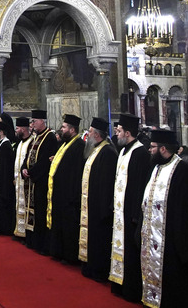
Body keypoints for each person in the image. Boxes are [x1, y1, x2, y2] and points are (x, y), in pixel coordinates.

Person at [139, 129, 188, 308]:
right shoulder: (155, 167)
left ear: (163, 149)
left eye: (153, 147)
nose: (149, 150)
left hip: (171, 240)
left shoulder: (183, 171)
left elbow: (184, 210)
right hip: (151, 237)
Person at [109, 114, 151, 303]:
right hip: (120, 210)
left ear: (128, 132)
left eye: (118, 131)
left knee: (131, 252)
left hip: (131, 213)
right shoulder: (125, 150)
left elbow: (140, 186)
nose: (116, 134)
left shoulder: (140, 153)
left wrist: (136, 214)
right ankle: (119, 283)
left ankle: (131, 288)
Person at [79, 117, 118, 282]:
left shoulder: (108, 152)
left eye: (90, 131)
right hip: (90, 204)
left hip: (99, 207)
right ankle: (90, 265)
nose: (88, 134)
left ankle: (99, 270)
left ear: (97, 134)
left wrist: (103, 209)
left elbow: (107, 183)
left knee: (99, 239)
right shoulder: (96, 149)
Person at [48, 114, 85, 264]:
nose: (61, 130)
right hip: (60, 194)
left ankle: (69, 256)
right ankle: (58, 252)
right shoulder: (65, 144)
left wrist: (71, 196)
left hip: (69, 196)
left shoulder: (79, 146)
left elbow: (76, 172)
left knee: (69, 227)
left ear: (72, 129)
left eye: (64, 127)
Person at [22, 109, 59, 255]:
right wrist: (24, 168)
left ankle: (41, 243)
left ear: (42, 121)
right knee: (31, 210)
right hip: (32, 181)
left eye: (34, 121)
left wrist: (31, 172)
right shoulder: (36, 137)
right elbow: (28, 155)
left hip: (41, 182)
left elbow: (45, 161)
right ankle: (31, 239)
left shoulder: (49, 137)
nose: (32, 124)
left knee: (40, 212)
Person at [12, 117, 34, 242]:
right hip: (18, 181)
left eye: (18, 128)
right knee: (18, 205)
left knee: (26, 207)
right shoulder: (20, 143)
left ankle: (26, 232)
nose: (16, 131)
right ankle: (19, 230)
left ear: (24, 129)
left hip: (27, 182)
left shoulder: (31, 142)